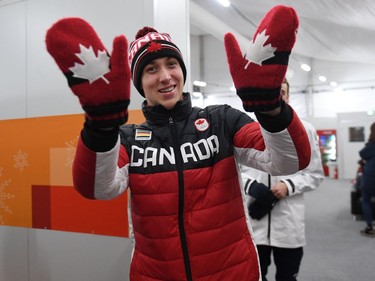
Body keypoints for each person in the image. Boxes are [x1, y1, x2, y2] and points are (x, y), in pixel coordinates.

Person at [45, 5, 311, 281]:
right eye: (151, 69)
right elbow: (97, 189)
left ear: (182, 70)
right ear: (138, 82)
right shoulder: (128, 138)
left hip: (232, 272)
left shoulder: (221, 120)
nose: (165, 76)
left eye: (171, 64)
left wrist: (270, 108)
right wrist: (100, 126)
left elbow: (288, 160)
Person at [241, 78, 324, 281]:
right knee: (256, 275)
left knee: (287, 277)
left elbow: (315, 174)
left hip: (289, 225)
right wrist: (250, 184)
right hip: (255, 222)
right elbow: (235, 169)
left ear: (288, 96)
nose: (278, 97)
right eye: (272, 92)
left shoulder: (306, 129)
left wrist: (289, 185)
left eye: (282, 92)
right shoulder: (248, 129)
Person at [359, 122, 375, 236]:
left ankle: (370, 227)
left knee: (366, 200)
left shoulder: (372, 145)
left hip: (371, 176)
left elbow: (363, 153)